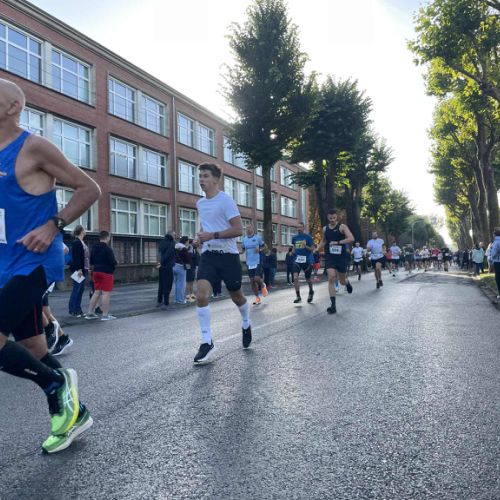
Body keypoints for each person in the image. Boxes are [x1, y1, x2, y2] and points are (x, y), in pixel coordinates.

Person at [0, 78, 100, 453]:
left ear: (13, 107)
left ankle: (55, 385)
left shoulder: (34, 147)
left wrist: (53, 225)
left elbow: (89, 188)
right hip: (4, 263)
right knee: (33, 347)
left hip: (34, 262)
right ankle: (75, 414)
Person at [193, 163, 251, 363]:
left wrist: (213, 235)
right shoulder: (200, 203)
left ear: (216, 179)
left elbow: (238, 229)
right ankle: (206, 342)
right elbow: (205, 227)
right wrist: (199, 238)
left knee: (237, 297)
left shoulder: (226, 201)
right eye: (200, 176)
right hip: (209, 255)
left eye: (206, 176)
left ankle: (246, 322)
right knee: (201, 295)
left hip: (228, 256)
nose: (201, 179)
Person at [317, 210, 354, 314]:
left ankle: (347, 283)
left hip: (341, 257)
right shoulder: (325, 229)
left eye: (334, 218)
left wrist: (338, 242)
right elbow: (324, 241)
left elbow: (351, 238)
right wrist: (317, 249)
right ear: (328, 218)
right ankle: (333, 306)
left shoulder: (342, 227)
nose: (332, 220)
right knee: (331, 277)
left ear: (336, 217)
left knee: (342, 281)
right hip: (330, 256)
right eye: (330, 218)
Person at [85, 231, 117, 321]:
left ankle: (90, 313)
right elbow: (112, 261)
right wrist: (115, 263)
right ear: (107, 238)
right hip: (106, 272)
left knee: (96, 292)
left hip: (96, 271)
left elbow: (91, 261)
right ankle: (105, 315)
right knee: (105, 293)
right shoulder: (108, 248)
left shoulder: (94, 247)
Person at [241, 223, 268, 305]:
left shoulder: (257, 238)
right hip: (249, 262)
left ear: (253, 229)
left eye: (249, 227)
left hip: (257, 260)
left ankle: (263, 285)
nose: (248, 229)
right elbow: (243, 249)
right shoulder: (244, 239)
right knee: (252, 281)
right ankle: (257, 298)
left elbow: (265, 246)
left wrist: (260, 250)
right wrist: (238, 252)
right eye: (246, 228)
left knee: (257, 278)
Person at [68, 225, 89, 317]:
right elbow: (77, 257)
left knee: (80, 290)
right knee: (77, 289)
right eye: (84, 229)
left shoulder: (81, 242)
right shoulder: (77, 242)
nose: (85, 231)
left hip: (83, 269)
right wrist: (79, 269)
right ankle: (73, 310)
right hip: (78, 270)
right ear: (81, 231)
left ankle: (78, 309)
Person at [291, 222, 315, 304]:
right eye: (297, 227)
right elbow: (294, 247)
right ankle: (298, 296)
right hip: (297, 260)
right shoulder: (294, 238)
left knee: (308, 279)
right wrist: (292, 252)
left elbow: (312, 249)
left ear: (303, 228)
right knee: (295, 277)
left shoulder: (308, 237)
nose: (299, 229)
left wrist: (305, 246)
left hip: (306, 261)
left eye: (300, 227)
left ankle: (311, 291)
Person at [157, 233, 175, 309]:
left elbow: (159, 254)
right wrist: (163, 262)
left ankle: (159, 301)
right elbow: (167, 255)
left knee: (161, 284)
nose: (175, 236)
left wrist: (159, 263)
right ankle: (166, 303)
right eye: (174, 235)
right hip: (167, 267)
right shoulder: (171, 244)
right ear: (171, 235)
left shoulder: (162, 242)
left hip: (161, 267)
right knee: (168, 285)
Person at [173, 236, 190, 304]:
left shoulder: (175, 246)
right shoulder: (184, 248)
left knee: (177, 284)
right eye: (188, 241)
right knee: (181, 285)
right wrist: (188, 266)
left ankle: (176, 299)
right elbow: (187, 259)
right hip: (181, 267)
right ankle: (180, 300)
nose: (188, 243)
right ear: (185, 241)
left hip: (174, 266)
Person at [489, 227, 500, 299]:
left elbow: (494, 253)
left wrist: (491, 258)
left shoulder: (496, 242)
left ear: (494, 235)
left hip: (497, 261)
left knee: (498, 277)